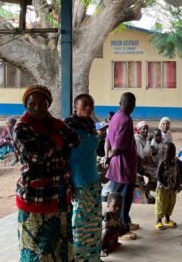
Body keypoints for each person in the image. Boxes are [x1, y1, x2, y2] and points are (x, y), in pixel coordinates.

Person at [14, 85, 80, 261]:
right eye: (32, 103)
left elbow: (75, 140)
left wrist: (52, 139)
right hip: (36, 198)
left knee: (62, 249)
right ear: (25, 105)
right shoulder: (22, 128)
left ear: (48, 104)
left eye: (42, 103)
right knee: (38, 251)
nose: (37, 107)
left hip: (60, 196)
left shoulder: (55, 124)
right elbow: (37, 156)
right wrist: (57, 139)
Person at [64, 94, 101, 262]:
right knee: (79, 225)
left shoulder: (91, 126)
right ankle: (79, 259)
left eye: (91, 105)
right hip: (78, 183)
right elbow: (63, 156)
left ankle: (93, 258)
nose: (88, 108)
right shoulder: (68, 128)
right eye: (84, 104)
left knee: (94, 223)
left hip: (93, 180)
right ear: (75, 106)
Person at [105, 92, 139, 241]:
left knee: (117, 194)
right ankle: (121, 227)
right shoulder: (126, 120)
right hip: (124, 165)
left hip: (116, 164)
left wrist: (107, 156)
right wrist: (111, 155)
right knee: (124, 197)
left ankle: (124, 221)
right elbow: (118, 147)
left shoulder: (115, 117)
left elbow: (107, 140)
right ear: (132, 105)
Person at [154, 142, 182, 230]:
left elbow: (178, 173)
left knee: (170, 203)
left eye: (173, 152)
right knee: (161, 203)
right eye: (169, 152)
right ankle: (158, 221)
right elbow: (158, 175)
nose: (172, 154)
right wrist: (165, 185)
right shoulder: (162, 163)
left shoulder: (175, 161)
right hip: (163, 188)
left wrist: (178, 184)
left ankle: (167, 220)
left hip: (173, 187)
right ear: (164, 153)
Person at [101, 192, 128, 257]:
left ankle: (115, 243)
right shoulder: (107, 215)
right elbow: (104, 227)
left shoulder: (117, 214)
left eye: (120, 206)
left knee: (119, 228)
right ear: (108, 205)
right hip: (103, 237)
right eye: (115, 206)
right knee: (106, 231)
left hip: (112, 236)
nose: (117, 208)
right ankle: (102, 249)